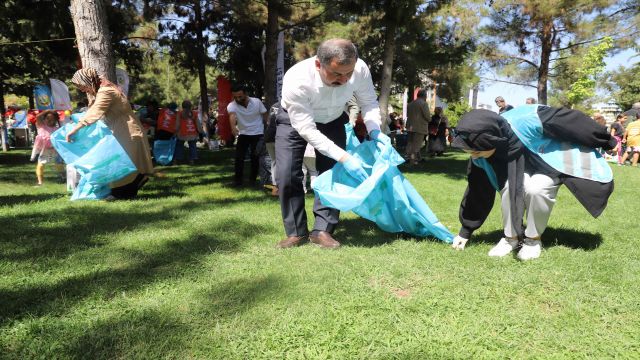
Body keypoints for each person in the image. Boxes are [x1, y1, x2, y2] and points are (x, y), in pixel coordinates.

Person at [450, 106, 615, 260]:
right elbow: (477, 193)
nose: (474, 156)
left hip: (548, 163)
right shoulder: (478, 155)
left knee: (536, 188)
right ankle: (510, 238)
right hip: (517, 170)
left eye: (477, 151)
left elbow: (573, 122)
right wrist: (465, 232)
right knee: (509, 186)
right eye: (470, 152)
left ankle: (533, 240)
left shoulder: (528, 119)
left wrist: (607, 141)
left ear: (493, 139)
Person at [275, 38, 386, 249]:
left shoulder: (360, 68)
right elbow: (307, 129)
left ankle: (322, 230)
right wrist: (345, 157)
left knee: (332, 173)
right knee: (287, 174)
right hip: (294, 121)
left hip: (334, 118)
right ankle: (296, 232)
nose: (344, 80)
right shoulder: (297, 79)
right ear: (319, 64)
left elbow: (369, 102)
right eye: (336, 74)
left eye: (348, 74)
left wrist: (374, 130)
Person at [66, 68, 154, 200]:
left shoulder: (106, 91)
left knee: (122, 163)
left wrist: (75, 129)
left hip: (128, 132)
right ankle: (129, 188)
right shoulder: (105, 89)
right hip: (124, 130)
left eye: (82, 86)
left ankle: (121, 193)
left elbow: (96, 111)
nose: (82, 90)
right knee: (124, 162)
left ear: (88, 80)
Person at [227, 85, 267, 187]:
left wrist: (269, 127)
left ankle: (253, 180)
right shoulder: (232, 105)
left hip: (258, 133)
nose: (237, 99)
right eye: (235, 97)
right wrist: (233, 128)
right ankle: (238, 181)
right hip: (243, 134)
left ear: (245, 94)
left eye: (240, 96)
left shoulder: (257, 102)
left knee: (255, 157)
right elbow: (232, 116)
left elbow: (265, 115)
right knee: (239, 158)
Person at [30, 110, 64, 185]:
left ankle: (62, 177)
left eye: (52, 119)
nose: (49, 120)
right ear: (44, 119)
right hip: (43, 149)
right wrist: (48, 110)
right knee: (41, 164)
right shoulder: (41, 126)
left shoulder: (57, 129)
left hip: (55, 148)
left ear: (55, 120)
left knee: (59, 163)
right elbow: (38, 116)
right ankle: (40, 182)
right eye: (47, 118)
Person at [405, 89, 430, 165]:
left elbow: (407, 115)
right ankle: (413, 160)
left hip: (410, 126)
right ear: (424, 96)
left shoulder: (410, 103)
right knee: (417, 145)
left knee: (410, 143)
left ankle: (408, 158)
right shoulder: (423, 104)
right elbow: (427, 116)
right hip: (420, 127)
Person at [174, 100, 202, 165]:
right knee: (192, 146)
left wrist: (175, 132)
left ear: (182, 106)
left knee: (179, 146)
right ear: (190, 106)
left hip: (182, 133)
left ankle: (177, 159)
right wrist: (201, 131)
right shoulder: (194, 113)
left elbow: (177, 124)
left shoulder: (179, 113)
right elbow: (198, 124)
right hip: (192, 133)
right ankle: (192, 160)